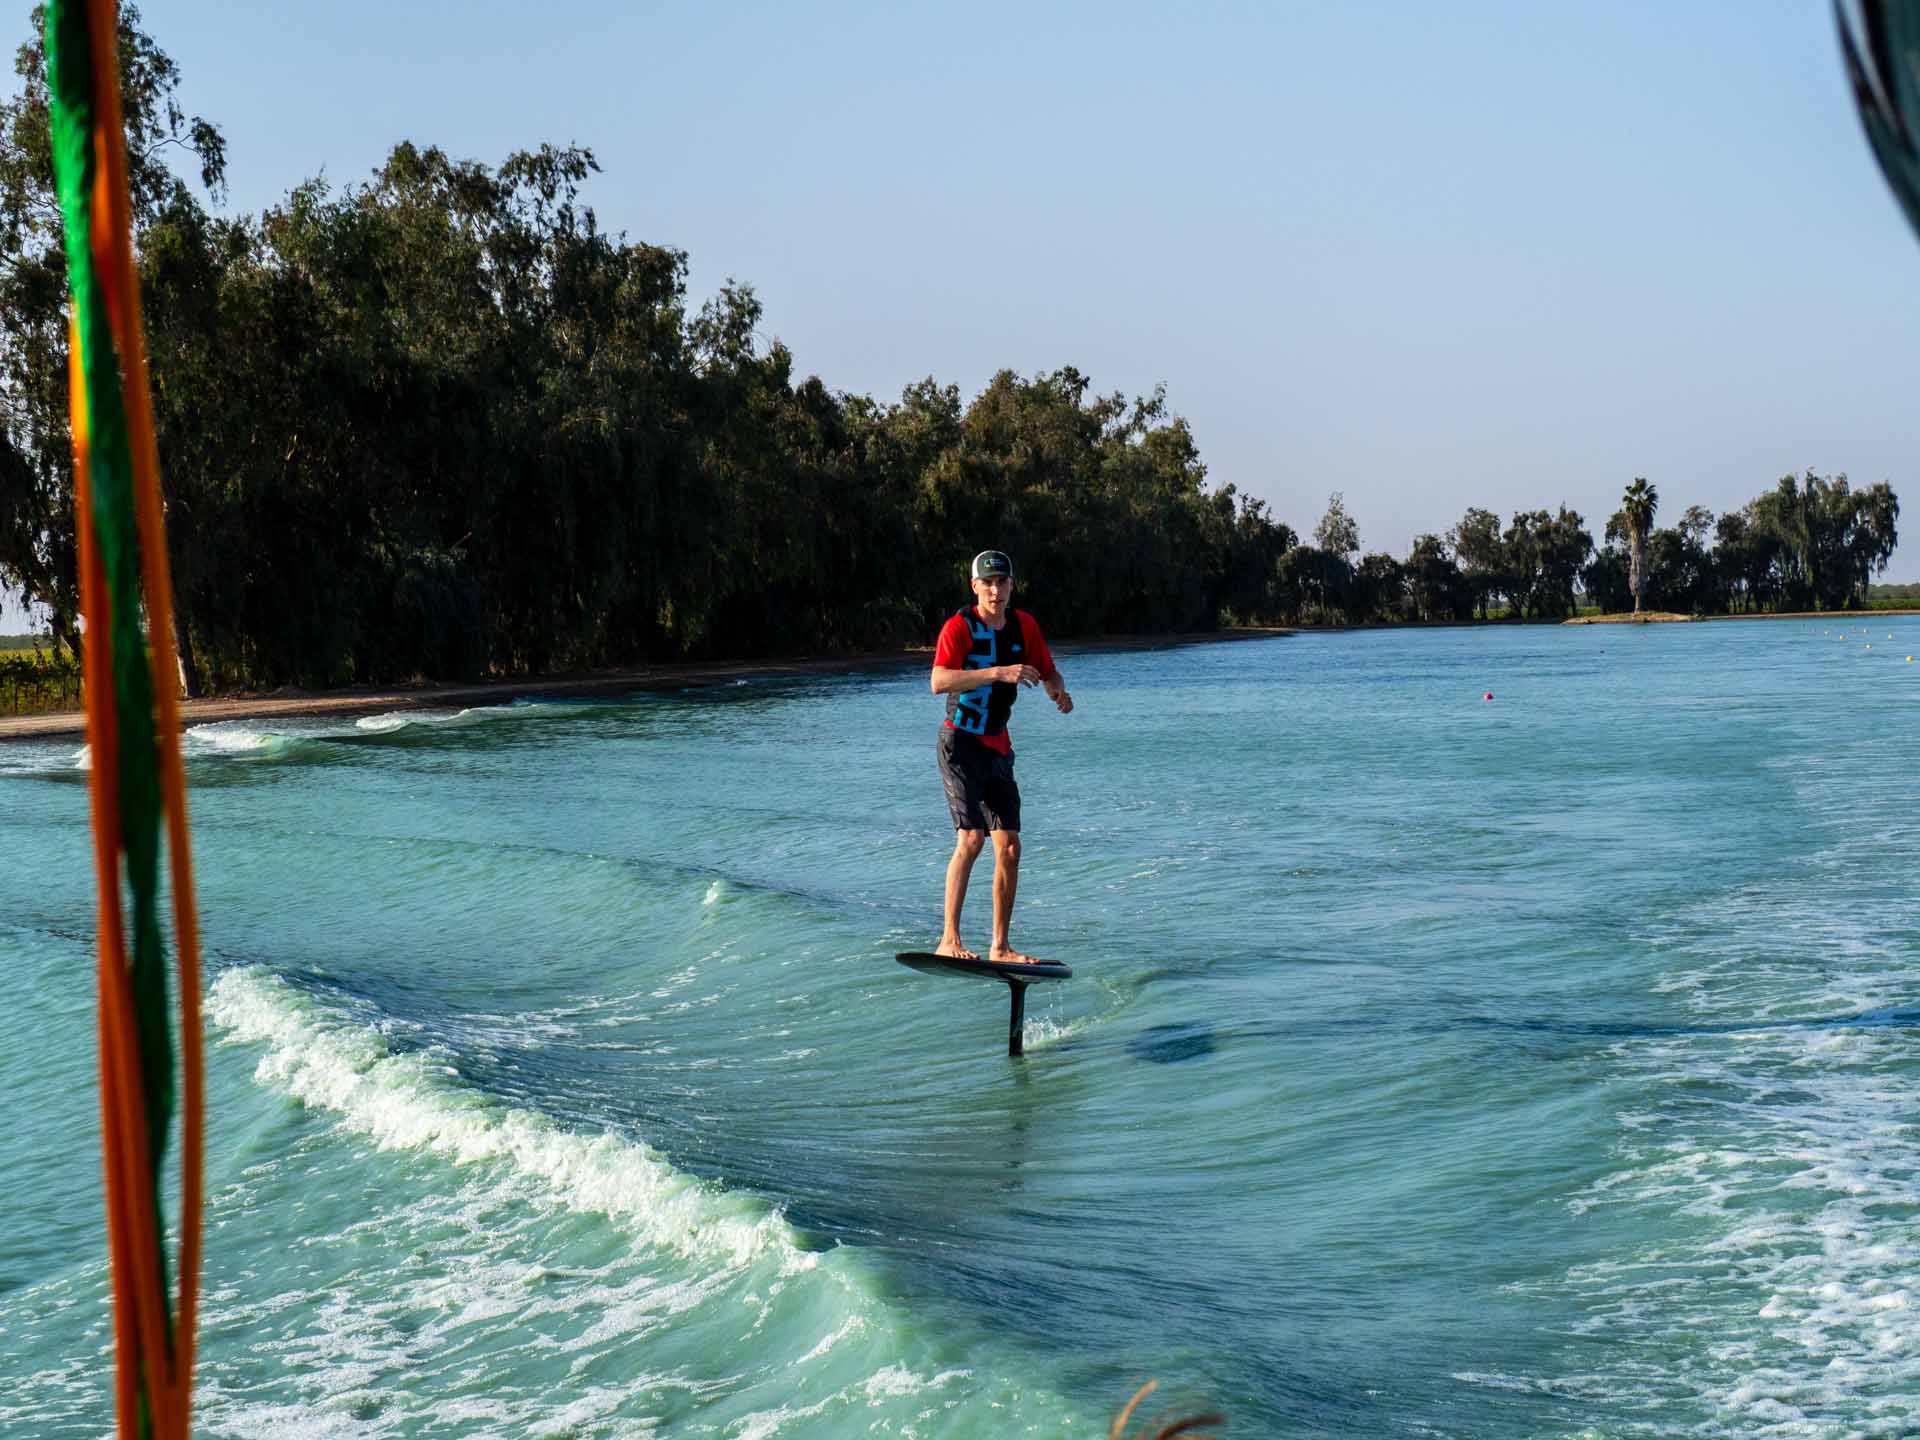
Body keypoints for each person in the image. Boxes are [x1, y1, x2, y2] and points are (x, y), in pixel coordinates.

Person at [928, 549, 1072, 964]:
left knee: (1009, 847)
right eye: (987, 583)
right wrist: (998, 672)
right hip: (960, 743)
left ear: (1011, 586)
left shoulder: (1024, 626)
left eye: (1002, 582)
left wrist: (1056, 691)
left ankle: (1000, 946)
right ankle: (948, 939)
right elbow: (939, 680)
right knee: (971, 838)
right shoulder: (959, 627)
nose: (995, 589)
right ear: (975, 587)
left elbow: (1048, 670)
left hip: (998, 748)